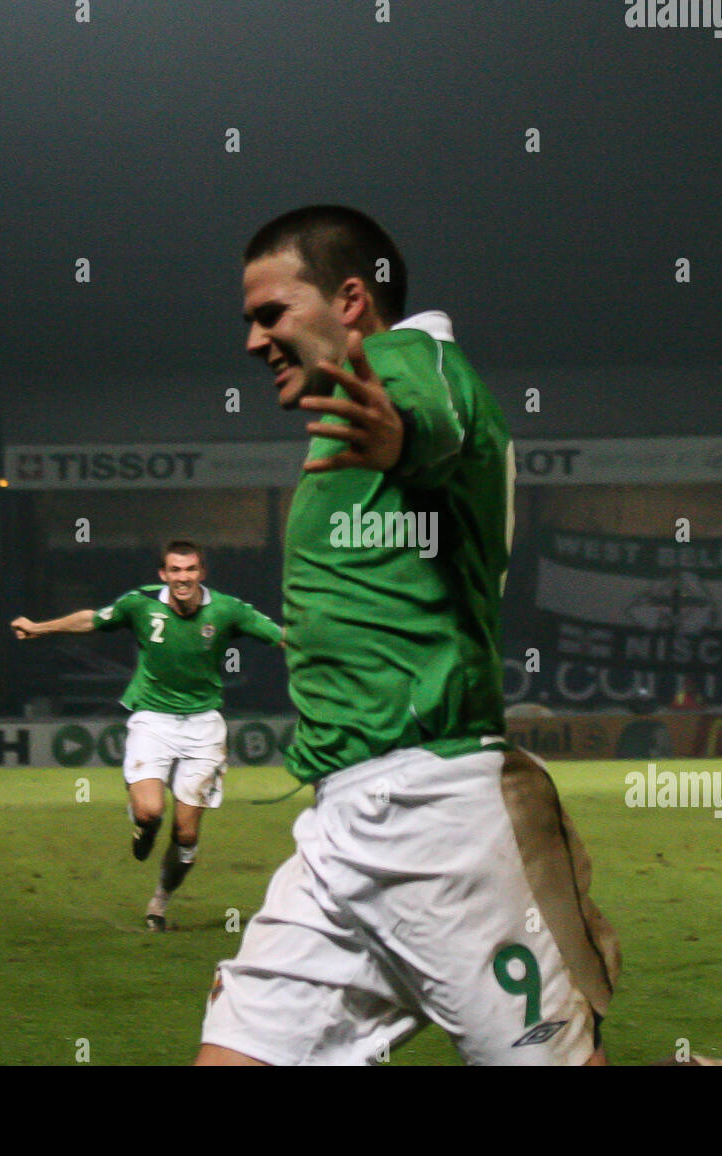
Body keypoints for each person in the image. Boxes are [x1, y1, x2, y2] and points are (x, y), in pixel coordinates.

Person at [196, 206, 622, 1065]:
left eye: (271, 313)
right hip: (340, 831)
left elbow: (436, 416)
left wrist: (401, 435)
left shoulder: (414, 363)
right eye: (248, 319)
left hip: (442, 823)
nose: (253, 339)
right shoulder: (348, 417)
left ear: (351, 299)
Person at [11, 541, 283, 930]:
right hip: (152, 719)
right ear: (163, 574)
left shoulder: (227, 609)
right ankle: (143, 827)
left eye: (190, 569)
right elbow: (93, 619)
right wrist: (40, 628)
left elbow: (278, 635)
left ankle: (159, 902)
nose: (183, 577)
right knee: (150, 811)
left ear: (201, 572)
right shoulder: (140, 603)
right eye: (175, 570)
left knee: (186, 833)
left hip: (204, 726)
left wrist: (335, 652)